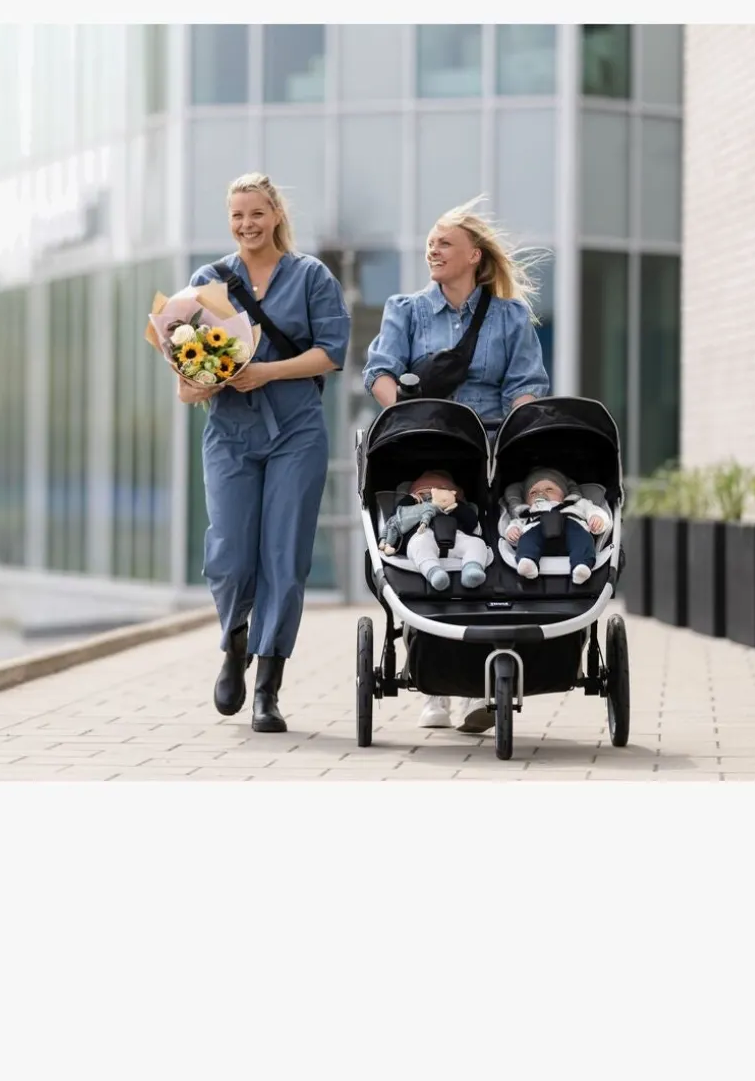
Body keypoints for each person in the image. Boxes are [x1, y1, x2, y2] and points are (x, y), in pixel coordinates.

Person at [362, 196, 550, 733]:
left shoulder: (510, 317)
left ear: (474, 255)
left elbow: (526, 387)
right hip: (427, 439)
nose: (433, 250)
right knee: (426, 541)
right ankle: (437, 686)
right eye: (430, 243)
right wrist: (407, 419)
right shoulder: (406, 309)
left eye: (444, 243)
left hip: (490, 444)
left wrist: (514, 441)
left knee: (491, 550)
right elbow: (379, 372)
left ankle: (476, 687)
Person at [177, 172, 351, 733]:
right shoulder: (207, 281)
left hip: (296, 431)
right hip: (230, 433)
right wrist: (199, 382)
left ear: (276, 214)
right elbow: (186, 382)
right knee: (229, 553)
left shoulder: (311, 276)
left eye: (256, 213)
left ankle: (268, 688)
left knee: (284, 556)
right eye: (237, 215)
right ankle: (235, 646)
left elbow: (332, 352)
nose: (247, 224)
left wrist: (266, 372)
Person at [377, 469, 490, 593]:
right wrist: (411, 499)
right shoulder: (413, 507)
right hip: (423, 535)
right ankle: (434, 573)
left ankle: (472, 569)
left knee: (477, 544)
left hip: (456, 538)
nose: (430, 495)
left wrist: (454, 504)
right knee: (418, 546)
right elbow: (398, 518)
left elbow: (471, 522)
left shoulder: (456, 507)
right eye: (424, 492)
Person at [503, 469, 612, 584]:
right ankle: (528, 561)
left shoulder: (577, 505)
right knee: (527, 539)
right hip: (539, 536)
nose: (541, 493)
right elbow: (515, 525)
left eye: (549, 489)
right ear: (526, 501)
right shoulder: (527, 513)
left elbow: (594, 510)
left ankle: (581, 565)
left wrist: (597, 518)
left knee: (583, 539)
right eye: (533, 492)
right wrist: (512, 531)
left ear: (564, 493)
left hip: (572, 532)